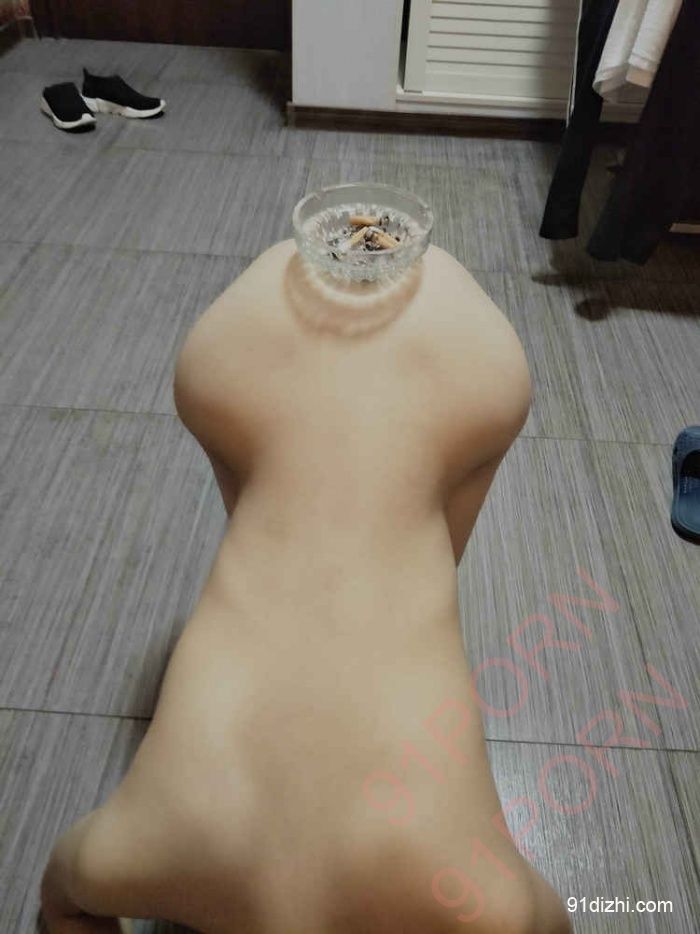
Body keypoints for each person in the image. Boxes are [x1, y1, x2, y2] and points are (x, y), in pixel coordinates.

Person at [40, 240, 572, 933]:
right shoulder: (128, 857)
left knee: (385, 509)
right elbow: (66, 899)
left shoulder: (477, 901)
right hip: (278, 349)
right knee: (315, 495)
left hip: (426, 353)